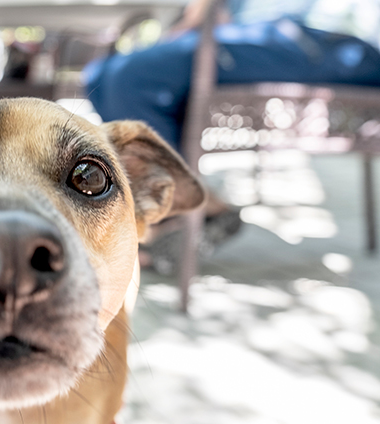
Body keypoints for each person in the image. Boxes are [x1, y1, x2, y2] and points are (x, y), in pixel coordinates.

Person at [83, 0, 380, 273]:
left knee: (129, 77)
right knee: (98, 75)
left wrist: (199, 16)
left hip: (315, 39)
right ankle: (182, 203)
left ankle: (184, 203)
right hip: (251, 30)